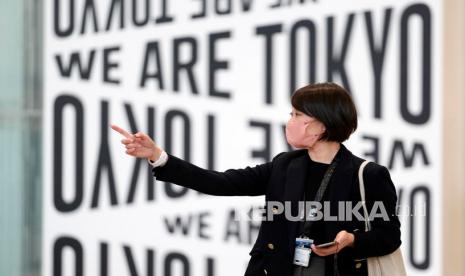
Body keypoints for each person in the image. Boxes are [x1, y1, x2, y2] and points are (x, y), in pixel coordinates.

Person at [111, 82, 401, 276]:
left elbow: (388, 236)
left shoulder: (368, 174)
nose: (289, 121)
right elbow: (221, 183)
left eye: (296, 114)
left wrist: (351, 240)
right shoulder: (284, 165)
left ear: (319, 124)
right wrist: (159, 156)